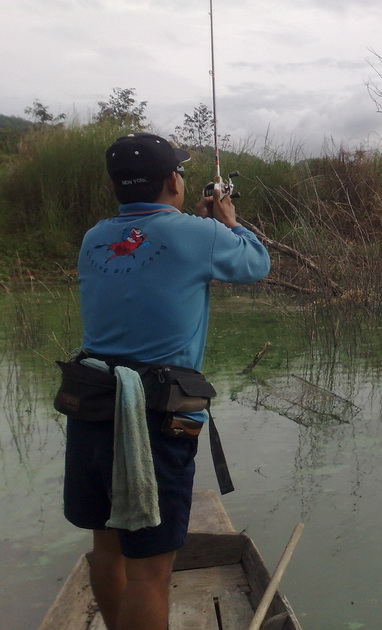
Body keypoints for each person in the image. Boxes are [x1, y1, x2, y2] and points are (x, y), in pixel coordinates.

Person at [62, 132, 271, 630]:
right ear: (173, 181)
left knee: (106, 550)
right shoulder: (198, 234)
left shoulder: (94, 237)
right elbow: (256, 265)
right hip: (155, 416)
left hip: (92, 406)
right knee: (150, 573)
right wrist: (227, 222)